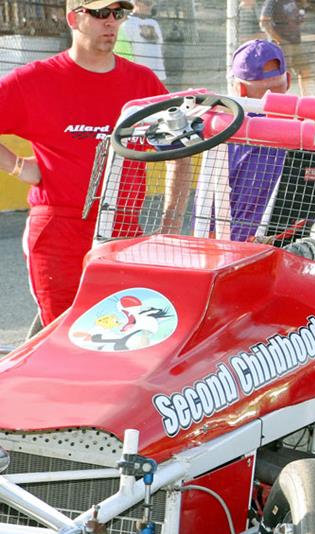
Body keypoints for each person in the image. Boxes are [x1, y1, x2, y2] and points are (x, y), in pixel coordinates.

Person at [0, 0, 166, 328]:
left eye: (118, 15)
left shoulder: (142, 83)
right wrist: (18, 166)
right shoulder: (36, 79)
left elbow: (180, 142)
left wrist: (173, 212)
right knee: (62, 335)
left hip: (123, 228)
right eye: (101, 14)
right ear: (74, 18)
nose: (111, 23)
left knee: (130, 333)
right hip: (59, 228)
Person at [192, 39, 290, 242]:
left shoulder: (222, 134)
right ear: (288, 80)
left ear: (240, 89)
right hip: (300, 250)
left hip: (236, 253)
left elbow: (206, 220)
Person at [260, 0, 308, 94]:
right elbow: (264, 22)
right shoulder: (272, 2)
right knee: (283, 73)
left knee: (304, 69)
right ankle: (283, 98)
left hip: (295, 40)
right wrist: (278, 39)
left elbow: (298, 16)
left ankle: (305, 96)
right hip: (283, 43)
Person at [113, 0, 165, 81]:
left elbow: (160, 48)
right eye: (147, 3)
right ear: (136, 3)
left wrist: (162, 74)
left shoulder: (154, 23)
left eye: (152, 4)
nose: (150, 7)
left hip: (158, 75)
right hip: (138, 76)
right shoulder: (127, 24)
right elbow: (124, 53)